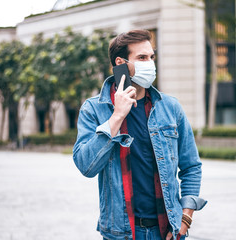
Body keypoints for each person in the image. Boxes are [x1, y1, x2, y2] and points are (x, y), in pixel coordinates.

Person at [73, 29, 206, 240]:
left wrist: (185, 218)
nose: (150, 63)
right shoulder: (93, 109)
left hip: (166, 231)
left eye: (152, 57)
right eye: (142, 58)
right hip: (121, 232)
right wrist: (116, 117)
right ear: (121, 63)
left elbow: (191, 166)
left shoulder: (170, 107)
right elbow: (86, 166)